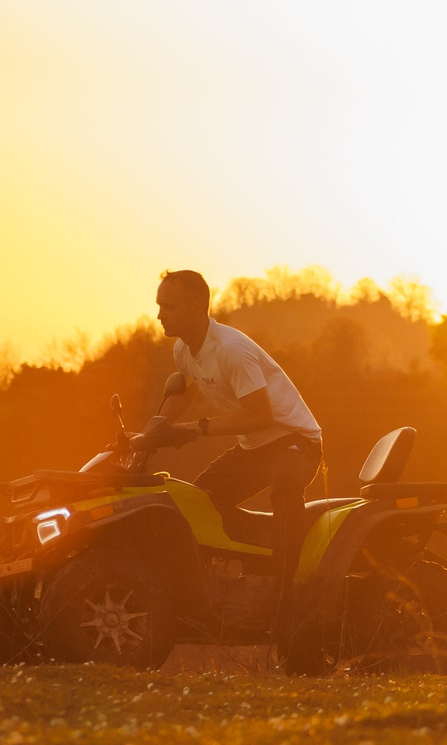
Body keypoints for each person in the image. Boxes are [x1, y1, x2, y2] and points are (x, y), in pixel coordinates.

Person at [134, 269, 324, 634]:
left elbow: (261, 415)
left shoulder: (231, 350)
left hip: (296, 442)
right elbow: (184, 394)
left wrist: (197, 430)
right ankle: (231, 581)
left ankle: (290, 592)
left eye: (168, 307)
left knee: (284, 485)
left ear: (196, 306)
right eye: (159, 306)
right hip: (255, 449)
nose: (160, 315)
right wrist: (148, 435)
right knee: (199, 502)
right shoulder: (184, 350)